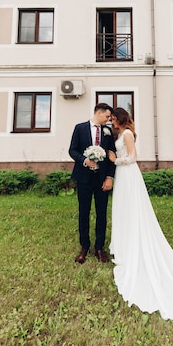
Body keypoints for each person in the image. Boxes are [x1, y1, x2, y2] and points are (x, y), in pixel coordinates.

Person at [108, 107, 173, 320]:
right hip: (123, 175)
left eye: (113, 118)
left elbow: (134, 157)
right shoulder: (120, 133)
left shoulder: (126, 134)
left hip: (128, 173)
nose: (112, 121)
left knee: (131, 209)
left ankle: (132, 247)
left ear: (120, 119)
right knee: (124, 209)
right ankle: (125, 244)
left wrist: (114, 160)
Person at [69, 103, 116, 264]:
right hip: (84, 178)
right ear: (99, 113)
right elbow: (72, 150)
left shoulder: (108, 132)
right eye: (107, 116)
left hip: (101, 179)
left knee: (101, 213)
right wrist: (84, 161)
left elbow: (112, 155)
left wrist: (109, 177)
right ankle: (84, 246)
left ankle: (99, 248)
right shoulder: (80, 128)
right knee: (84, 212)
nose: (109, 120)